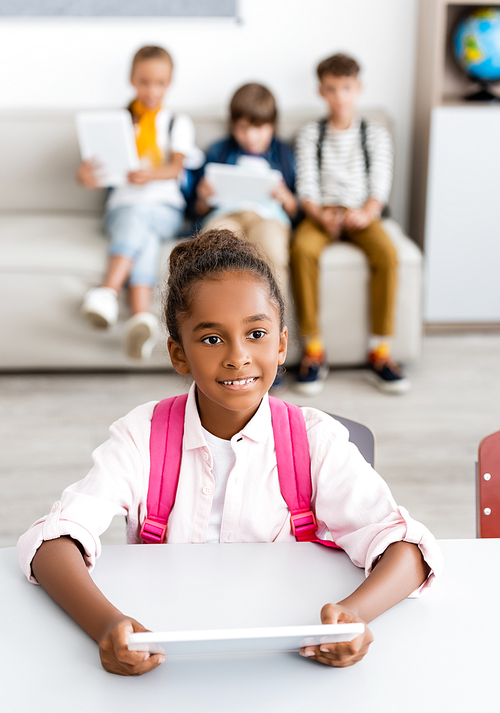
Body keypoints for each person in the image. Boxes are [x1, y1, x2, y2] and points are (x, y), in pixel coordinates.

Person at [18, 229, 442, 676]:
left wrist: (354, 616)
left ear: (281, 345)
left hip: (287, 664)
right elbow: (51, 542)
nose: (238, 357)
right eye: (212, 339)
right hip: (170, 662)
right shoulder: (141, 436)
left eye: (256, 333)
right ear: (178, 355)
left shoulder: (315, 440)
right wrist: (106, 626)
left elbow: (407, 549)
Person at [291, 53, 408, 395]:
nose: (340, 96)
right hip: (322, 212)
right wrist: (319, 215)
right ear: (321, 92)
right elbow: (306, 187)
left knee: (387, 252)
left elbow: (380, 183)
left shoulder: (375, 133)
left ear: (358, 89)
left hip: (362, 213)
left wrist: (367, 212)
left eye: (346, 88)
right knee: (302, 250)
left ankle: (381, 352)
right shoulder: (311, 134)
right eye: (332, 89)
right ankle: (313, 350)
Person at [77, 45, 203, 360]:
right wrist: (86, 176)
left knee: (143, 216)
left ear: (169, 82)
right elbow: (99, 173)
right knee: (141, 229)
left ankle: (108, 290)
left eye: (160, 83)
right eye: (144, 82)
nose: (151, 90)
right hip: (123, 207)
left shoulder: (177, 123)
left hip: (166, 209)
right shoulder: (118, 122)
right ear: (132, 80)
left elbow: (176, 168)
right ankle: (141, 316)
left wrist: (150, 176)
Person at [195, 83, 297, 295]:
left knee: (271, 248)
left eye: (259, 129)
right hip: (227, 214)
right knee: (213, 247)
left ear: (272, 126)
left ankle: (274, 324)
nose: (251, 137)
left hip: (269, 217)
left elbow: (296, 210)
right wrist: (203, 198)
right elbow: (198, 209)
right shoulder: (219, 151)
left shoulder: (284, 155)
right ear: (232, 126)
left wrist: (286, 198)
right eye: (242, 129)